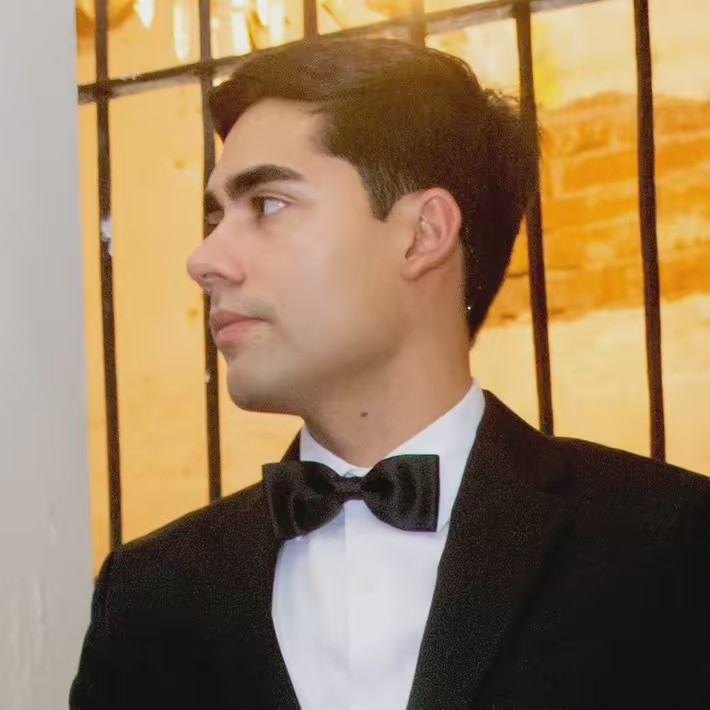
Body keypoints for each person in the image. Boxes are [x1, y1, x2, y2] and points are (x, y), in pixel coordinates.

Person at [70, 37, 710, 709]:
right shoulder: (148, 596)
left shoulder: (667, 545)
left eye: (267, 204)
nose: (204, 259)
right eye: (215, 215)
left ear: (422, 234)